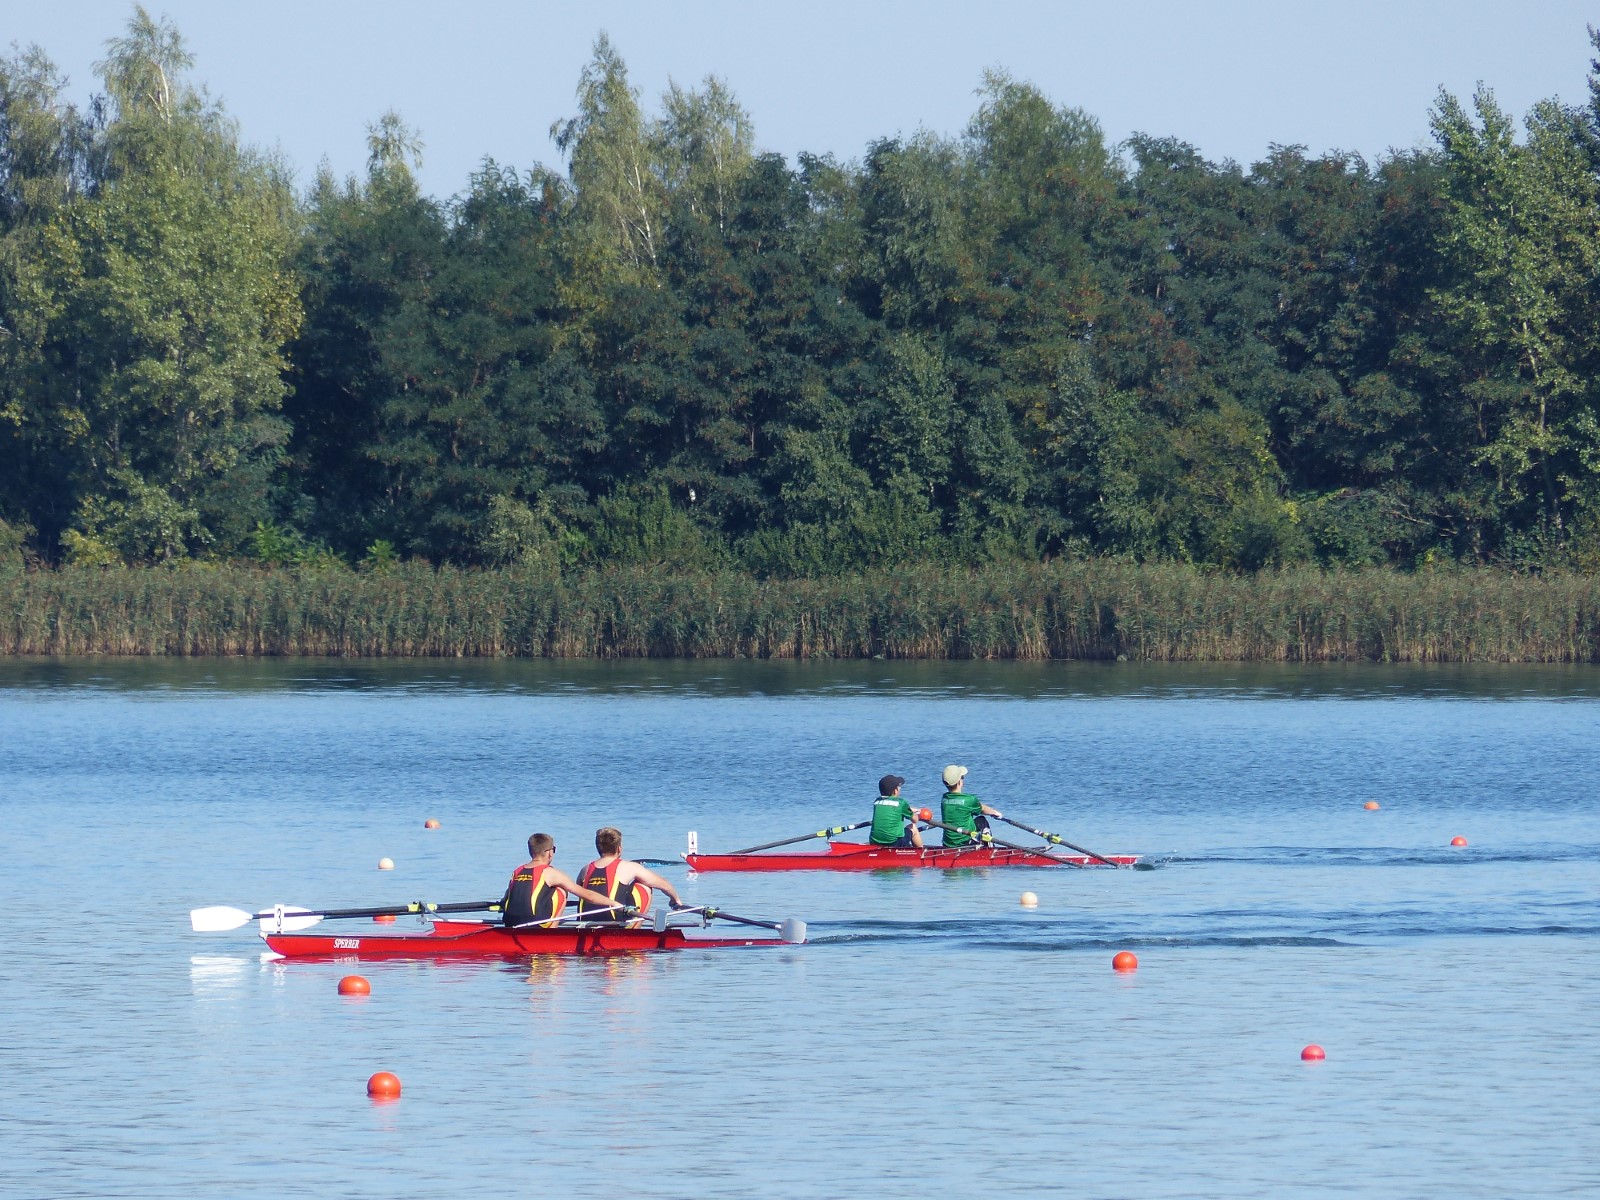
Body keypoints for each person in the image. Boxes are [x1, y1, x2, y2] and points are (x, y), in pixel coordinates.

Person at [501, 832, 622, 928]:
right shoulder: (551, 873)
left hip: (510, 922)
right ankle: (551, 933)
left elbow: (506, 898)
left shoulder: (516, 871)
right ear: (549, 853)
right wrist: (613, 904)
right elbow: (588, 895)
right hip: (536, 925)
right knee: (561, 890)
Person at [575, 826, 684, 923]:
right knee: (644, 886)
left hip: (585, 921)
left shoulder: (585, 869)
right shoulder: (628, 866)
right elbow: (663, 884)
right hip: (614, 922)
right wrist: (675, 899)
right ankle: (634, 930)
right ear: (619, 848)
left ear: (598, 848)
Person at [940, 765, 1003, 848]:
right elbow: (982, 809)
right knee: (982, 821)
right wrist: (995, 813)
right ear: (959, 782)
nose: (963, 779)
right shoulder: (970, 799)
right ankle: (991, 850)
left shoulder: (944, 799)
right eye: (962, 777)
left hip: (948, 843)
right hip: (966, 842)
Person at [868, 774, 923, 849]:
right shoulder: (901, 803)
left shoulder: (877, 802)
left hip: (874, 842)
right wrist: (918, 814)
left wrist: (910, 809)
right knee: (913, 828)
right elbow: (915, 820)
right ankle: (921, 852)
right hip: (893, 843)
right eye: (899, 787)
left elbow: (890, 807)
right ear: (895, 790)